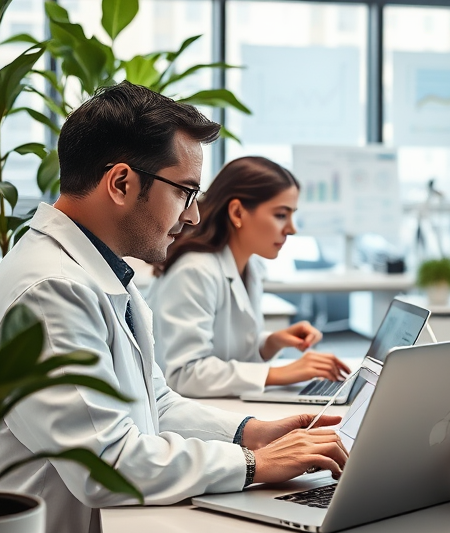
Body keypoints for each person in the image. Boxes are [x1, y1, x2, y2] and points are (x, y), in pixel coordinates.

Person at [0, 83, 347, 533]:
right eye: (185, 191)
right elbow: (104, 463)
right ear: (122, 183)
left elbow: (155, 402)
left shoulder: (101, 273)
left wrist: (248, 432)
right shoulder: (49, 290)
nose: (194, 214)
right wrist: (253, 463)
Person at [149, 156, 350, 397]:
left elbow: (227, 354)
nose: (291, 229)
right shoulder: (194, 270)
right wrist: (277, 374)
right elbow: (184, 374)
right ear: (237, 212)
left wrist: (271, 343)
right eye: (280, 215)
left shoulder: (250, 266)